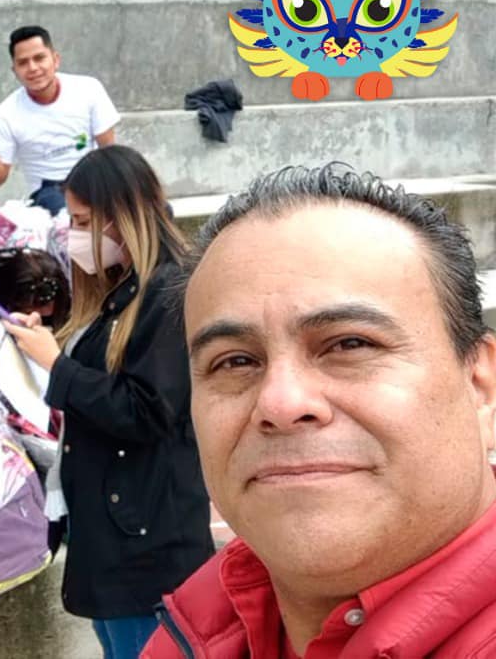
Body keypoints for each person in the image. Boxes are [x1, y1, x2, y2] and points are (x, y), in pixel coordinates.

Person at [144, 165, 496, 657]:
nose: (280, 403)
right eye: (236, 361)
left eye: (350, 344)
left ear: (481, 383)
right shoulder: (196, 626)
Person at [2, 145, 213, 659]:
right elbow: (104, 365)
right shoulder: (122, 287)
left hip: (145, 539)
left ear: (122, 217)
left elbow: (147, 409)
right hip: (111, 530)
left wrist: (57, 365)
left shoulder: (168, 291)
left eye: (82, 222)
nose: (73, 235)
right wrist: (47, 340)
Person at [0, 25, 121, 214]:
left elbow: (109, 151)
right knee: (68, 215)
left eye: (39, 58)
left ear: (55, 60)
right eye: (23, 63)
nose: (33, 68)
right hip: (48, 192)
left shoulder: (88, 89)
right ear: (14, 70)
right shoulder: (8, 112)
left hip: (91, 179)